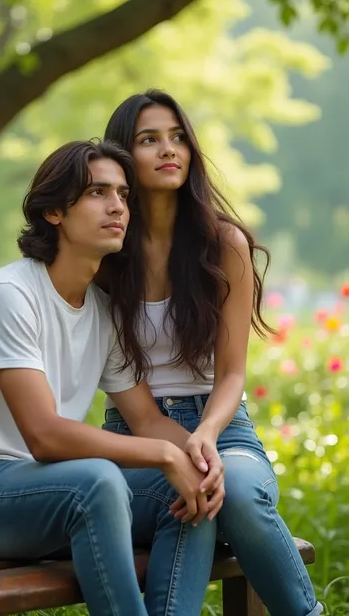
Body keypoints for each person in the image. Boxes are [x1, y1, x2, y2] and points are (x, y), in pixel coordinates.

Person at [0, 138, 225, 616]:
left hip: (53, 491)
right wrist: (164, 453)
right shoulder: (10, 295)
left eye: (124, 195)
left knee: (190, 491)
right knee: (100, 481)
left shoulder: (101, 311)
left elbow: (145, 419)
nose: (117, 207)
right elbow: (44, 435)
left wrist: (199, 458)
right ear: (54, 212)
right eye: (97, 192)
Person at [101, 90, 323, 616]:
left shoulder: (224, 244)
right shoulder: (108, 254)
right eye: (149, 139)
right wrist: (192, 456)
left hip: (223, 426)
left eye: (178, 137)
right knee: (193, 500)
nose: (168, 149)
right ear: (122, 157)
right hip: (135, 438)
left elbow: (231, 373)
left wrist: (204, 439)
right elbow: (140, 413)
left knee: (240, 494)